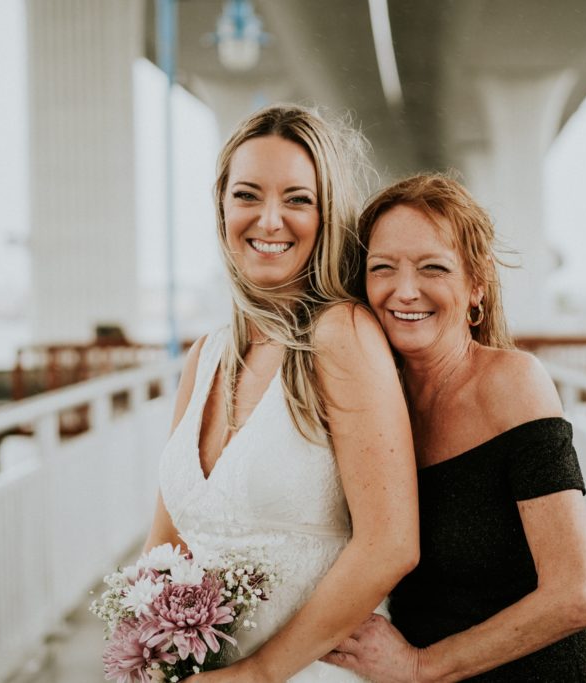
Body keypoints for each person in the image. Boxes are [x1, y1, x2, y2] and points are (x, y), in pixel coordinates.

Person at [143, 104, 419, 682]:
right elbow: (168, 543)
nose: (270, 220)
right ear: (221, 208)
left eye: (297, 199)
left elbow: (391, 543)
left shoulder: (340, 335)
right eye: (247, 195)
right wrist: (147, 653)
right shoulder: (206, 354)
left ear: (327, 215)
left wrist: (260, 673)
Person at [325, 174, 586, 682]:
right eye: (382, 268)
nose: (404, 291)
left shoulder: (513, 384)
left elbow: (578, 594)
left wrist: (421, 665)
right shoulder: (372, 402)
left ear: (475, 287)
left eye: (433, 267)